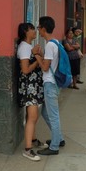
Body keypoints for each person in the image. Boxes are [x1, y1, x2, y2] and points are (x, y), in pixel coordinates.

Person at [16, 23, 48, 162]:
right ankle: (28, 149)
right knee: (32, 117)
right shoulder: (24, 48)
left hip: (34, 86)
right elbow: (25, 70)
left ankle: (33, 139)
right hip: (29, 86)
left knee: (33, 116)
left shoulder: (28, 47)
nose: (35, 31)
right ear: (25, 32)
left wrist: (37, 54)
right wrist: (36, 57)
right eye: (31, 29)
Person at [34, 16, 65, 155]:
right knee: (46, 112)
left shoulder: (50, 45)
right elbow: (51, 62)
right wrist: (42, 54)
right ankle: (59, 139)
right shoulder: (55, 42)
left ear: (44, 29)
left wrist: (36, 56)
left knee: (53, 115)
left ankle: (54, 147)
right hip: (53, 83)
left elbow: (45, 67)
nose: (38, 30)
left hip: (50, 84)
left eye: (39, 27)